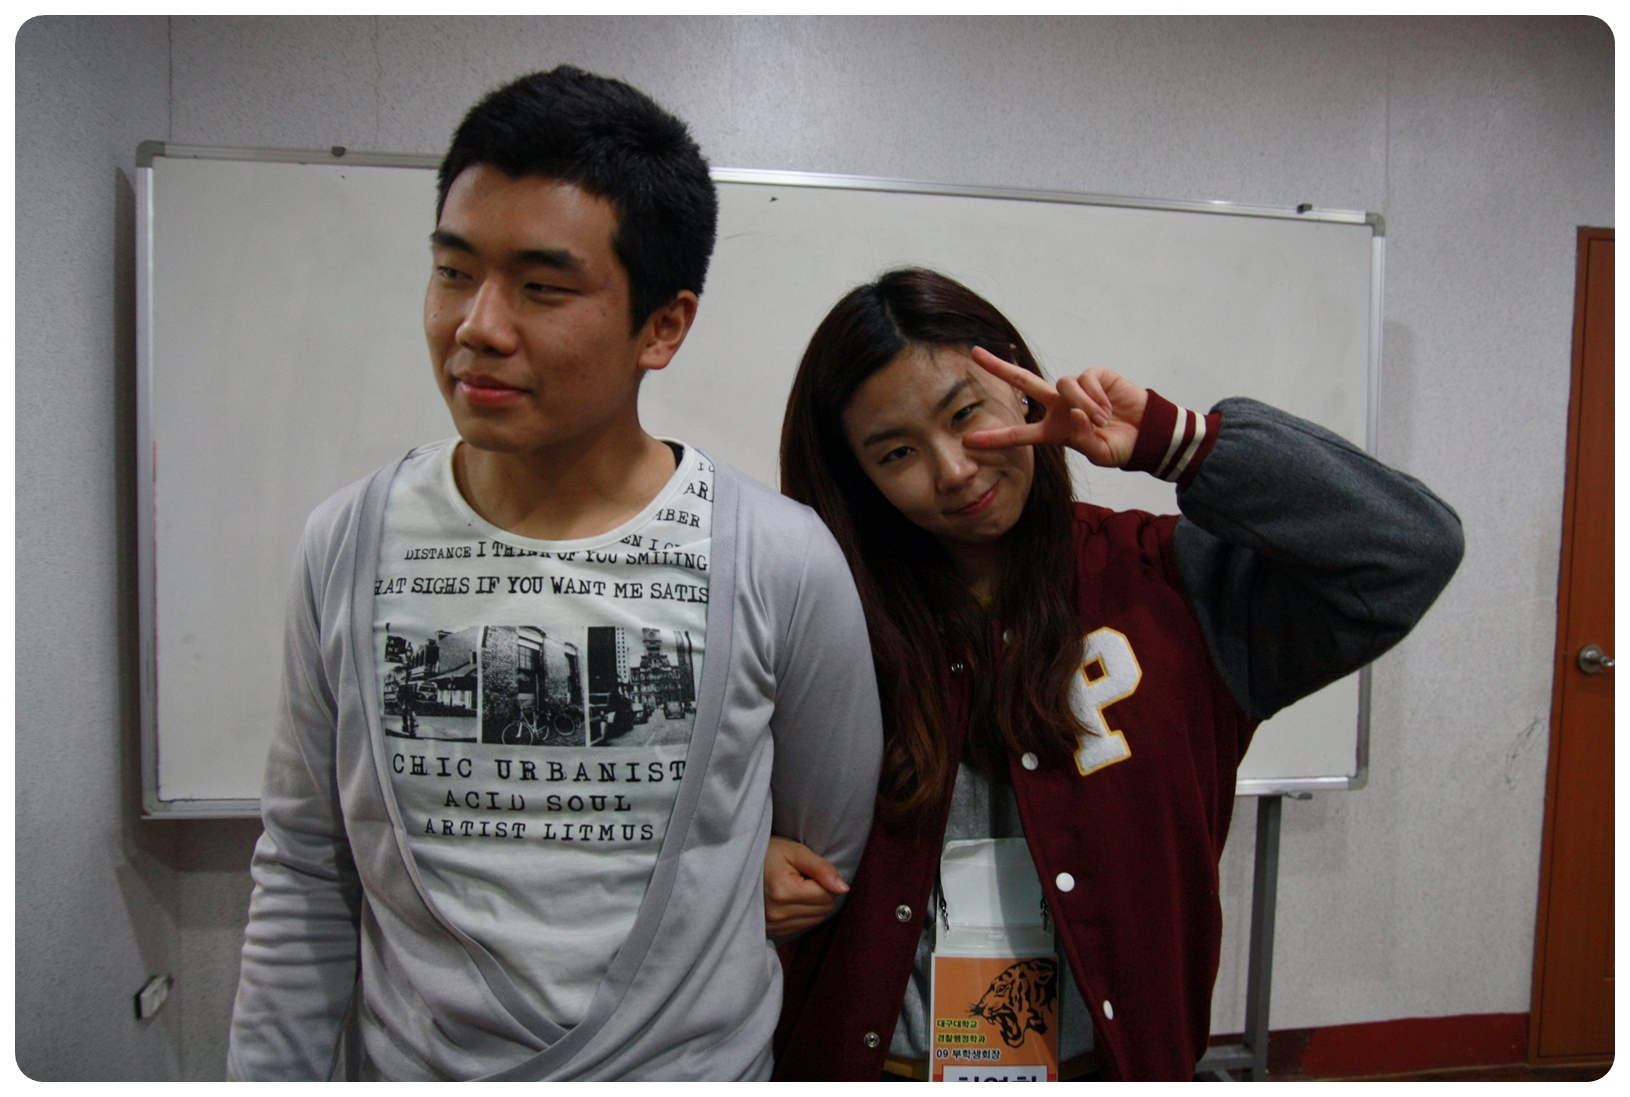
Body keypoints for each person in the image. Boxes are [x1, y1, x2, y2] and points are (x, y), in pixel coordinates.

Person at [226, 67, 882, 1081]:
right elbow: (307, 867)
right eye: (454, 271)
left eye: (542, 288)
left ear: (663, 325)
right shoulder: (347, 542)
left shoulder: (778, 556)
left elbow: (818, 849)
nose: (478, 326)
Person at [764, 268, 1464, 1081]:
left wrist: (1177, 442)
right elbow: (698, 789)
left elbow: (1410, 548)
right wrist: (749, 862)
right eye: (896, 452)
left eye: (965, 414)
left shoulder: (1171, 586)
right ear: (857, 475)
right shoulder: (821, 614)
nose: (951, 469)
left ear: (1020, 385)